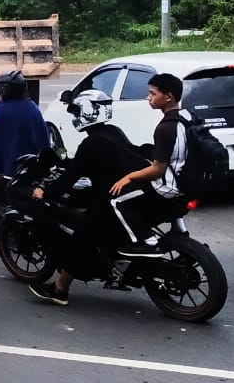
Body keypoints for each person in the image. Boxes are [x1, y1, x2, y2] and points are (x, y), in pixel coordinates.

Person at [28, 90, 152, 306]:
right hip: (134, 191)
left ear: (87, 112)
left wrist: (44, 193)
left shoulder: (91, 144)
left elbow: (69, 178)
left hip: (112, 196)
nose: (75, 116)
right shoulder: (113, 131)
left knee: (83, 235)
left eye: (77, 111)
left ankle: (59, 289)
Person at [108, 73, 191, 258]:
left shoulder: (164, 128)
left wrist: (129, 177)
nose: (148, 97)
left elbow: (157, 170)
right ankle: (180, 230)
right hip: (187, 183)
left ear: (168, 97)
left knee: (117, 200)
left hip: (168, 188)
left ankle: (148, 242)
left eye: (153, 93)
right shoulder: (187, 117)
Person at [0, 70, 50, 177]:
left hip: (9, 164)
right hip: (32, 163)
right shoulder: (32, 106)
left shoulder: (0, 109)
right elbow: (42, 136)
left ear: (4, 90)